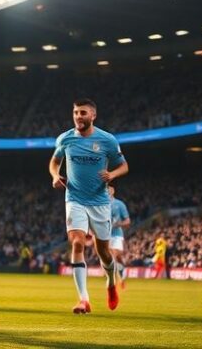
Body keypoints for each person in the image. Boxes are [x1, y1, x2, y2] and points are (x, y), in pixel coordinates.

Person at [50, 98, 129, 314]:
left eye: (83, 113)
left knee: (103, 251)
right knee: (77, 242)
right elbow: (54, 161)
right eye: (75, 112)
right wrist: (55, 175)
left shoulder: (107, 140)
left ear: (93, 115)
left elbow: (124, 166)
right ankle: (83, 300)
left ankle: (111, 282)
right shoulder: (65, 139)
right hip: (74, 198)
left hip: (100, 202)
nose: (78, 116)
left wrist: (111, 174)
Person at [108, 185, 130, 288]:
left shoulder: (119, 204)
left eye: (109, 189)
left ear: (113, 190)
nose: (107, 191)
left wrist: (118, 224)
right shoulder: (100, 205)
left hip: (117, 235)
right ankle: (114, 279)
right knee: (110, 258)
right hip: (105, 236)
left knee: (117, 256)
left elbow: (127, 221)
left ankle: (121, 272)